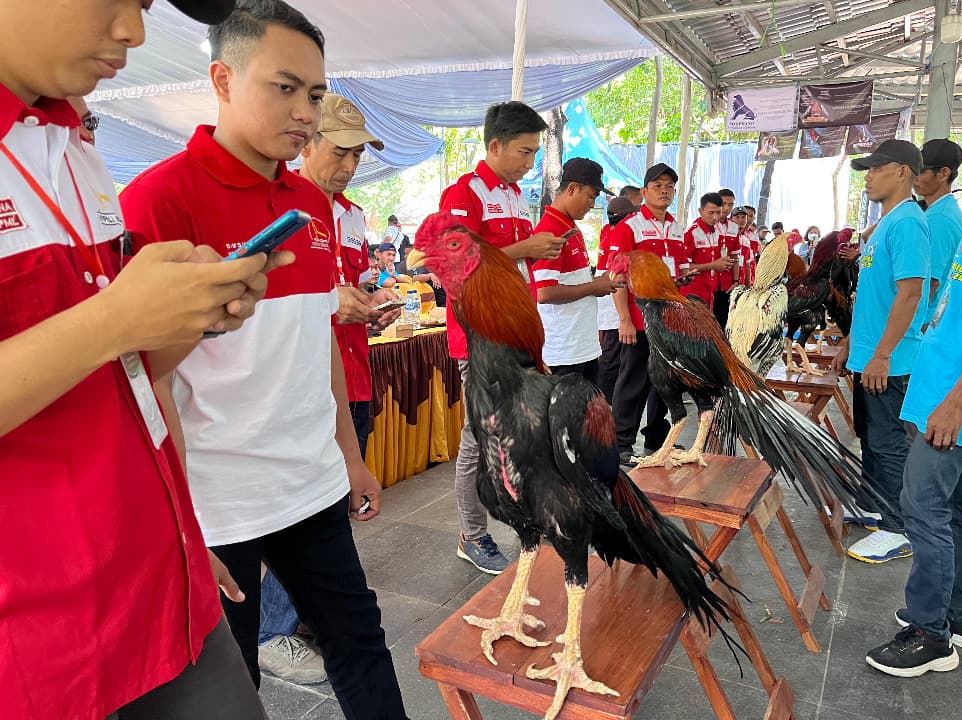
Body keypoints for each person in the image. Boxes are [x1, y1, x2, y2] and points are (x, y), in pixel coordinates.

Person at [0, 1, 291, 719]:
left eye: (147, 5)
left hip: (169, 588)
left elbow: (121, 376)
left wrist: (186, 317)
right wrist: (115, 320)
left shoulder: (71, 145)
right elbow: (104, 336)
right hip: (40, 651)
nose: (133, 31)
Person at [118, 3, 408, 718]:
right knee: (231, 681)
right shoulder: (157, 201)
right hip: (218, 502)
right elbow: (145, 379)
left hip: (310, 481)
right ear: (223, 79)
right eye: (284, 88)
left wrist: (349, 457)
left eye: (315, 93)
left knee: (359, 642)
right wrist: (180, 522)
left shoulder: (309, 202)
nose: (305, 112)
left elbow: (318, 342)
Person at [864, 112, 962, 679]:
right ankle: (960, 616)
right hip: (949, 393)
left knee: (922, 506)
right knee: (956, 510)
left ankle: (928, 631)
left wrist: (955, 400)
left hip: (959, 402)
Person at [255, 94, 402, 685]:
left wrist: (370, 301)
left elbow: (350, 282)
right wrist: (329, 304)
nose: (349, 165)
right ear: (307, 142)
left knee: (334, 506)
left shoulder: (353, 214)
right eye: (339, 152)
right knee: (297, 512)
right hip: (301, 381)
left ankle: (307, 616)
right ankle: (272, 629)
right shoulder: (280, 209)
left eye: (358, 156)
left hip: (351, 373)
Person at [438, 100, 564, 574]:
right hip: (480, 339)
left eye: (534, 153)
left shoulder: (513, 196)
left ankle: (522, 518)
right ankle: (471, 534)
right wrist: (525, 247)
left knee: (517, 431)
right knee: (478, 437)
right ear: (495, 145)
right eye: (524, 152)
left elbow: (509, 263)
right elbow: (456, 262)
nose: (530, 163)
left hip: (515, 334)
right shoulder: (464, 193)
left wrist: (535, 251)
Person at [833, 139, 930, 564]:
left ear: (903, 172)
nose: (868, 177)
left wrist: (883, 353)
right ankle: (874, 505)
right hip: (869, 354)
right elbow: (873, 297)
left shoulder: (908, 223)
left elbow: (910, 294)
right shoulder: (886, 224)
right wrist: (850, 343)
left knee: (890, 442)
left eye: (876, 168)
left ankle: (897, 526)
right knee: (872, 438)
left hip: (890, 360)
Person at [607, 163, 688, 466]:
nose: (664, 191)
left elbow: (679, 271)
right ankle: (621, 442)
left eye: (669, 187)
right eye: (658, 186)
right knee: (633, 379)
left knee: (665, 380)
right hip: (639, 319)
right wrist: (624, 319)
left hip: (669, 319)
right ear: (644, 192)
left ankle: (657, 437)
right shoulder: (629, 227)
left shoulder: (676, 227)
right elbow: (617, 276)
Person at [531, 158, 623, 383]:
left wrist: (599, 281)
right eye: (591, 196)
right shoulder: (551, 230)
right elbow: (544, 293)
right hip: (563, 352)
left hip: (582, 346)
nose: (592, 204)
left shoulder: (570, 226)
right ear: (572, 188)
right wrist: (593, 287)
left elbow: (572, 279)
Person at [915, 139, 962, 330]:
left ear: (943, 173)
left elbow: (931, 283)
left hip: (924, 323)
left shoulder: (940, 218)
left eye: (921, 171)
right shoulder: (941, 211)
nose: (915, 177)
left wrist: (906, 325)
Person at [596, 195, 637, 402]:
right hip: (614, 295)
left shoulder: (607, 230)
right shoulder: (619, 233)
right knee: (612, 355)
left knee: (613, 353)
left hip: (609, 293)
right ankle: (605, 401)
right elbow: (618, 271)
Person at [712, 187, 741, 327]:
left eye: (730, 204)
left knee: (723, 322)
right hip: (709, 282)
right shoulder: (706, 224)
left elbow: (735, 255)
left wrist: (736, 280)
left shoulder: (734, 227)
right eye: (723, 203)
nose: (727, 208)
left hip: (727, 283)